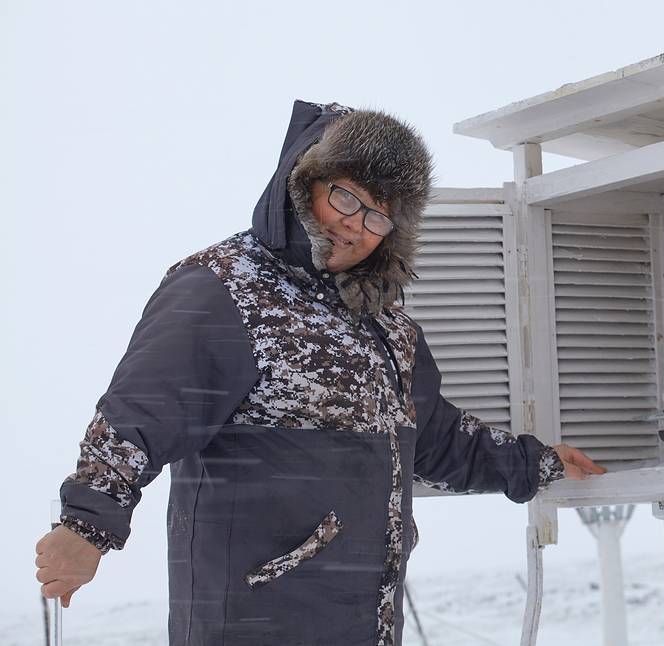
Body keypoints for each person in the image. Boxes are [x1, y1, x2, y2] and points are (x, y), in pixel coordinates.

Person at [33, 100, 607, 646]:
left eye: (379, 215)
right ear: (306, 182)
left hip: (363, 623)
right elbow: (141, 412)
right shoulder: (226, 287)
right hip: (254, 622)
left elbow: (434, 438)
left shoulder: (388, 326)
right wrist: (86, 527)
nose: (356, 225)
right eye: (347, 197)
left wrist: (534, 461)